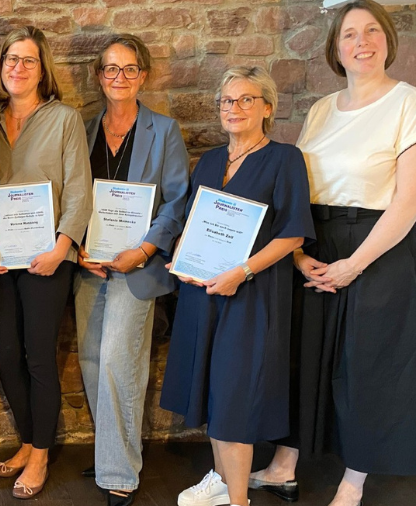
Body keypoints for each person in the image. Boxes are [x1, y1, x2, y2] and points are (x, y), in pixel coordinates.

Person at [250, 2, 416, 505]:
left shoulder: (410, 102)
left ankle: (352, 483)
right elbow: (299, 189)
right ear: (336, 48)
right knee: (304, 354)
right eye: (350, 34)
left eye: (372, 31)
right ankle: (284, 465)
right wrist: (296, 254)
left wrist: (355, 265)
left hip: (380, 248)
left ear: (388, 40)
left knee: (367, 364)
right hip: (318, 244)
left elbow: (412, 199)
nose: (362, 42)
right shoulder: (321, 109)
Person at [159, 66, 314, 506]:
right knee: (212, 390)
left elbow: (293, 235)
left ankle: (238, 500)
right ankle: (221, 480)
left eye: (246, 99)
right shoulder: (209, 161)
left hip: (251, 296)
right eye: (227, 100)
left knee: (233, 397)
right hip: (202, 293)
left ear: (267, 108)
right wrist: (183, 258)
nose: (234, 108)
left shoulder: (285, 159)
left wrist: (241, 273)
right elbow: (195, 222)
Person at [74, 34, 189, 506]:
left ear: (143, 75)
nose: (119, 77)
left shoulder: (164, 130)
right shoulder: (83, 130)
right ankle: (111, 450)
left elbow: (177, 200)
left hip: (139, 266)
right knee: (91, 359)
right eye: (110, 68)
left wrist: (143, 251)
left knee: (119, 360)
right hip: (89, 265)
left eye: (129, 68)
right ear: (98, 76)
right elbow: (71, 195)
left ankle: (119, 471)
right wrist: (77, 246)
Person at [0, 26, 92, 500]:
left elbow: (79, 189)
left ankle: (41, 454)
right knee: (6, 354)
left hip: (48, 257)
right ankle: (27, 441)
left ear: (42, 70)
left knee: (39, 356)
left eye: (28, 60)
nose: (18, 68)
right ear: (0, 66)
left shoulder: (64, 119)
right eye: (11, 59)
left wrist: (62, 248)